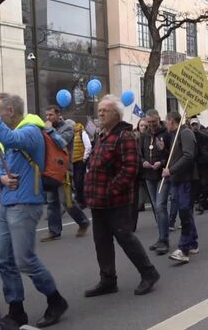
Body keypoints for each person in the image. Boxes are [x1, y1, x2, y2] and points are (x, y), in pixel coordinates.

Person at [0, 93, 68, 327]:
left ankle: (56, 300)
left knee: (24, 260)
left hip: (25, 205)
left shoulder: (30, 131)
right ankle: (16, 309)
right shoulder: (11, 136)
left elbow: (9, 139)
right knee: (2, 258)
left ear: (10, 111)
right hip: (7, 204)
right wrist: (2, 179)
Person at [83, 95, 160, 298]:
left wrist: (111, 190)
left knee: (125, 237)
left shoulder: (123, 136)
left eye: (104, 111)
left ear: (116, 114)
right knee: (102, 241)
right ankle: (108, 280)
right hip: (98, 201)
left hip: (115, 201)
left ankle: (149, 273)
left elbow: (130, 168)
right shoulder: (102, 135)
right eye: (99, 110)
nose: (100, 114)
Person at [41, 105, 90, 242]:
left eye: (50, 115)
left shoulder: (67, 128)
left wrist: (49, 130)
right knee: (52, 202)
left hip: (64, 170)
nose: (48, 118)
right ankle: (54, 231)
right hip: (50, 170)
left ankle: (83, 221)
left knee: (66, 201)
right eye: (46, 115)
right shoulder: (47, 130)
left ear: (58, 114)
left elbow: (61, 143)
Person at [163, 111, 199, 263]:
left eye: (166, 121)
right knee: (185, 212)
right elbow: (176, 155)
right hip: (177, 179)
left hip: (186, 179)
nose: (166, 124)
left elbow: (188, 156)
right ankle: (193, 242)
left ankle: (183, 249)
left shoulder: (185, 133)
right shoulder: (175, 135)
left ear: (172, 121)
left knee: (184, 212)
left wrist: (171, 170)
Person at [141, 109, 172, 255]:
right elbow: (139, 153)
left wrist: (162, 160)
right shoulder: (144, 135)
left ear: (159, 119)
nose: (152, 125)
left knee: (160, 206)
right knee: (155, 207)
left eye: (154, 122)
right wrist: (143, 162)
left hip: (162, 176)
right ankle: (161, 237)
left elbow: (172, 154)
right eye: (149, 122)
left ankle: (164, 240)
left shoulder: (166, 134)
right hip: (149, 175)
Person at [190, 118, 208, 214]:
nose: (195, 126)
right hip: (195, 164)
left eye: (196, 124)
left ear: (199, 125)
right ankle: (201, 202)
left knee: (205, 183)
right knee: (197, 184)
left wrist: (207, 154)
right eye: (193, 125)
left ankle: (203, 202)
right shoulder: (189, 136)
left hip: (205, 163)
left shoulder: (206, 136)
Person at [70, 121, 92, 208]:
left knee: (79, 181)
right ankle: (79, 198)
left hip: (80, 161)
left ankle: (82, 201)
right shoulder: (72, 133)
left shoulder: (82, 133)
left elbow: (88, 146)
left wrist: (84, 158)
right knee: (75, 181)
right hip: (73, 161)